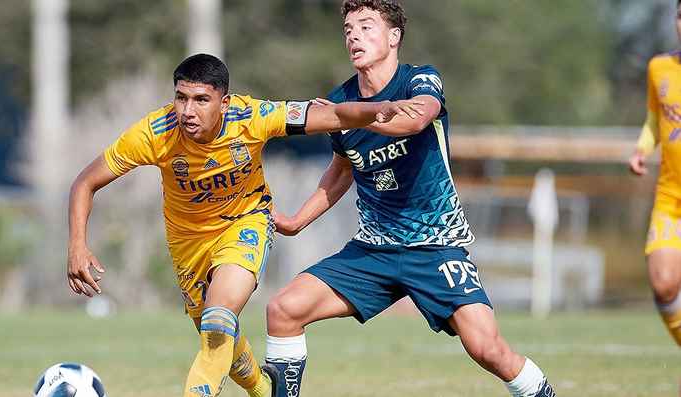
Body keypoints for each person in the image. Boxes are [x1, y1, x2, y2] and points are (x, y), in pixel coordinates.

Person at [66, 53, 424, 397]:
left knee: (219, 319)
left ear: (224, 102)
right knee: (219, 337)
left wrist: (376, 110)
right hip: (187, 244)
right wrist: (78, 245)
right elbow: (85, 182)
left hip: (244, 223)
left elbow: (330, 116)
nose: (188, 111)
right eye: (181, 98)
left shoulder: (252, 116)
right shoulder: (154, 133)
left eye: (201, 100)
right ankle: (263, 390)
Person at [263, 1, 556, 396]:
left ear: (394, 36)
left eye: (366, 27)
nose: (354, 36)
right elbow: (341, 169)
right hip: (373, 250)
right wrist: (298, 221)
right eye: (348, 29)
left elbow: (416, 119)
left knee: (489, 350)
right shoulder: (341, 99)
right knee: (283, 310)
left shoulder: (420, 80)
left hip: (436, 247)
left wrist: (356, 115)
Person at [628, 0, 681, 348]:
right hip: (671, 197)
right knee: (663, 282)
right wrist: (641, 150)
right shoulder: (659, 68)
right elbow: (654, 120)